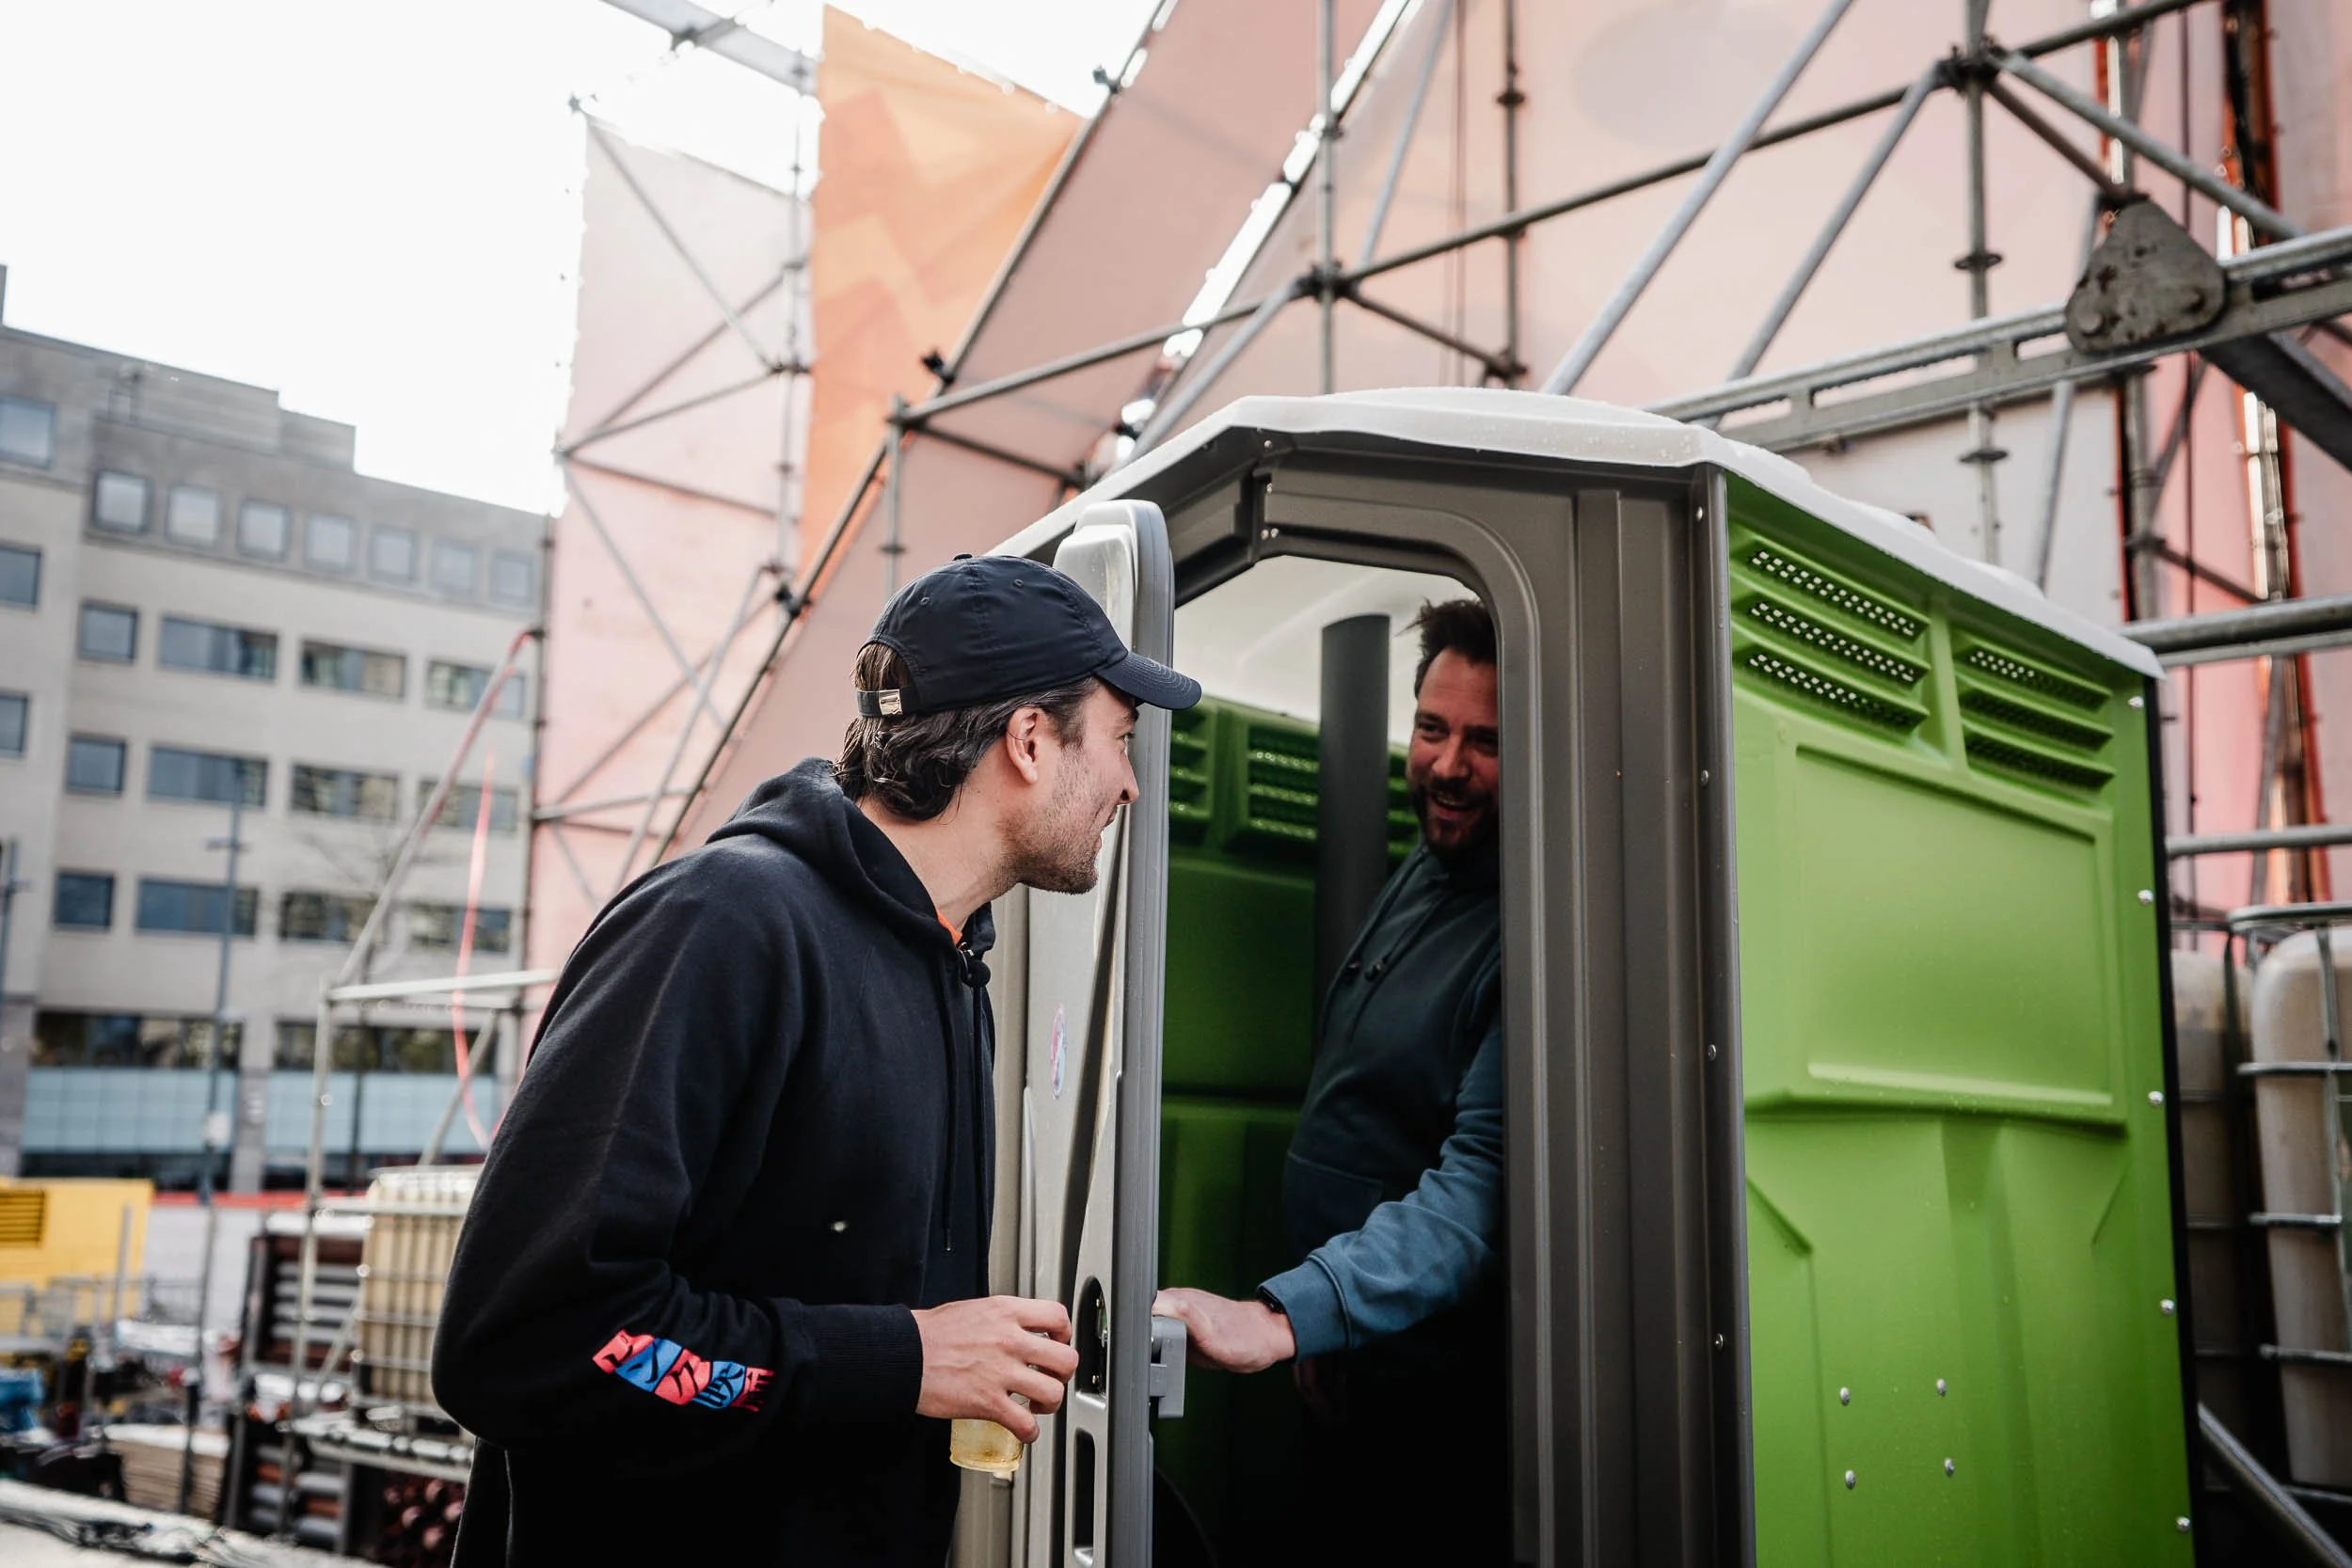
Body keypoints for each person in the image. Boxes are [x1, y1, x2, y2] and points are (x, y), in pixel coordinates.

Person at [433, 554, 1202, 1567]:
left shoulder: (952, 962)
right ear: (1026, 739)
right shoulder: (721, 925)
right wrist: (905, 1358)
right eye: (1117, 739)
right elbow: (537, 1333)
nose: (1130, 781)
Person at [1152, 597, 1507, 1562]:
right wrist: (1325, 1328)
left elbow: (1475, 1196)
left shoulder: (1526, 924)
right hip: (1354, 1346)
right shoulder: (1430, 856)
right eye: (1431, 728)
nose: (1446, 763)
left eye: (1485, 740)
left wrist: (1288, 1313)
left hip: (1437, 1383)